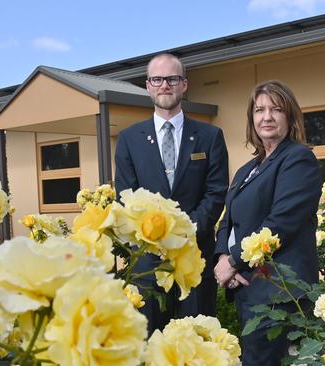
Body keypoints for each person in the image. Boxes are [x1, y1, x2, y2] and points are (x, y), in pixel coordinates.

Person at [115, 53, 229, 335]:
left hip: (194, 258)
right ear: (148, 86)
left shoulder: (210, 137)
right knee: (151, 341)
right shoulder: (129, 140)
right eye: (157, 79)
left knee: (197, 341)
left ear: (184, 84)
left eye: (172, 79)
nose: (164, 84)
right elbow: (126, 196)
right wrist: (156, 238)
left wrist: (182, 233)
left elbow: (215, 194)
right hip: (147, 262)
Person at [213, 80, 321, 366]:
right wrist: (223, 256)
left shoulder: (299, 159)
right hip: (249, 289)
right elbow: (228, 219)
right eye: (259, 110)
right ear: (252, 118)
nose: (267, 116)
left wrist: (234, 261)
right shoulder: (246, 169)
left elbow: (280, 223)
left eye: (276, 109)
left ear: (290, 116)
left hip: (281, 294)